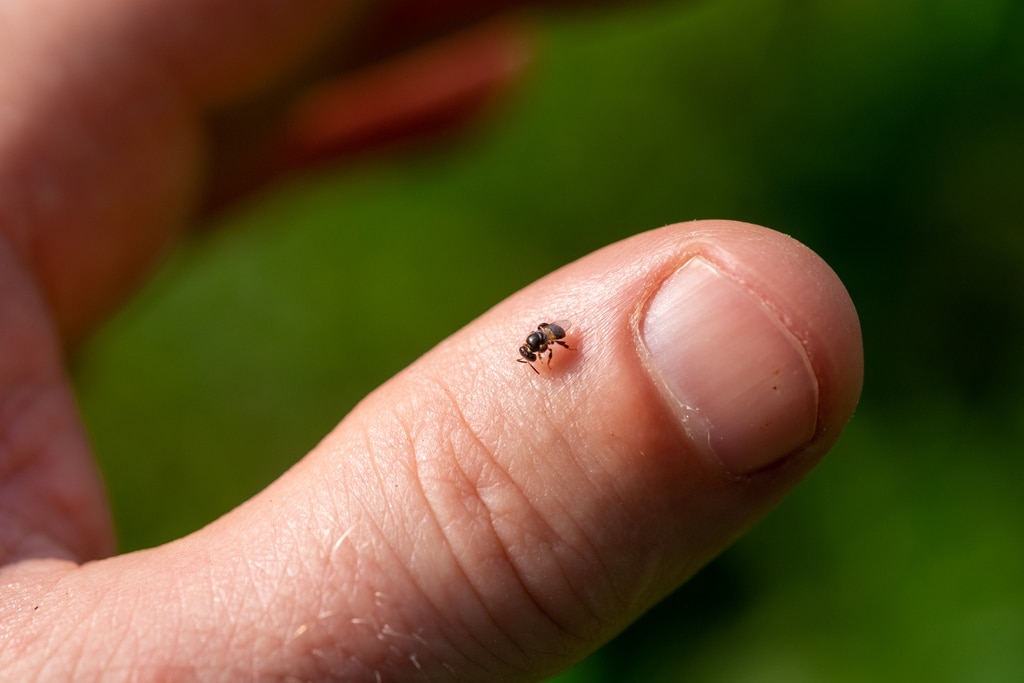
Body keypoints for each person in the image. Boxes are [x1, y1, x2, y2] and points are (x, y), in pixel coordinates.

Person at [0, 1, 863, 680]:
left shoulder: (551, 341)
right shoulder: (547, 345)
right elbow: (547, 347)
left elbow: (552, 343)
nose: (551, 350)